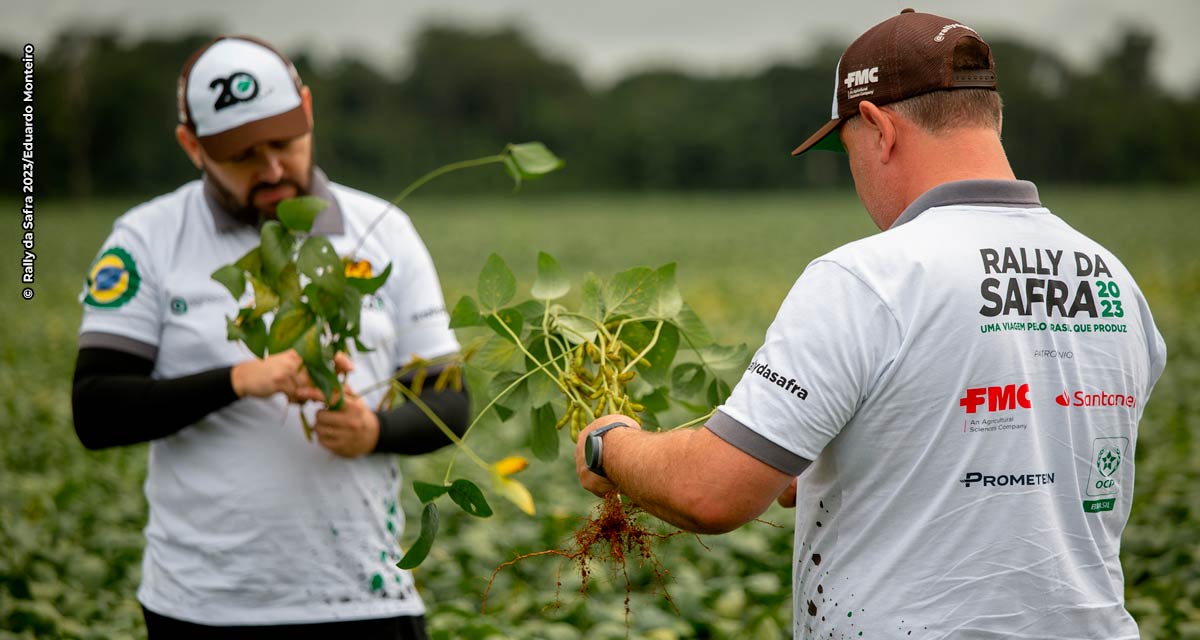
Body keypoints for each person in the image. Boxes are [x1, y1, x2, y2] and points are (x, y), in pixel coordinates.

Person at [575, 9, 1167, 638]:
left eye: (847, 145)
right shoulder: (1113, 280)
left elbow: (712, 493)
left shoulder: (868, 278)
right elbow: (1026, 445)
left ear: (878, 128)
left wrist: (609, 445)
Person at [71, 35, 468, 640]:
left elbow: (450, 402)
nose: (273, 169)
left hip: (366, 601)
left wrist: (374, 432)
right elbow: (96, 408)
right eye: (242, 155)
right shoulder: (146, 238)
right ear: (191, 146)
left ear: (308, 110)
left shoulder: (386, 230)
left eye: (284, 142)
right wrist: (237, 379)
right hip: (201, 608)